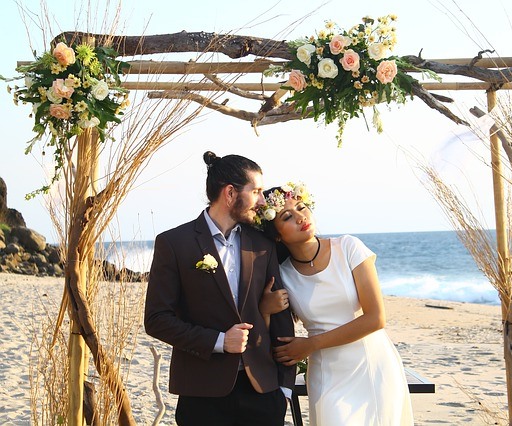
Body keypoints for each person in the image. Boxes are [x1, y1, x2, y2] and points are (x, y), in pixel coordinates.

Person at [144, 152, 296, 426]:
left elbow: (282, 321)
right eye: (256, 191)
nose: (262, 201)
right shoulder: (174, 243)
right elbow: (157, 320)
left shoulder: (263, 244)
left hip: (263, 393)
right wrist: (219, 341)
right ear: (230, 193)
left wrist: (283, 388)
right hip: (201, 394)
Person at [257, 182, 414, 426]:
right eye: (288, 216)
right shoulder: (282, 275)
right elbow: (270, 334)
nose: (301, 217)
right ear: (276, 234)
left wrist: (311, 344)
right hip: (327, 373)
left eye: (302, 207)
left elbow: (376, 318)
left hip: (372, 363)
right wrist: (265, 309)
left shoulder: (349, 247)